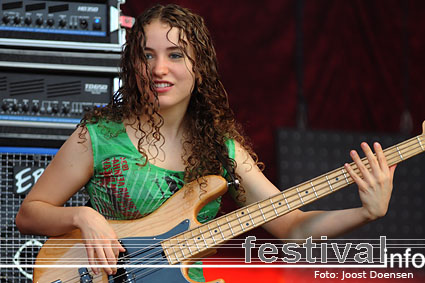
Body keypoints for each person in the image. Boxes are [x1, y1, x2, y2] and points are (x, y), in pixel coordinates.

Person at [15, 3, 396, 282]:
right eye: (146, 55)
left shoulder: (222, 150)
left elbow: (293, 228)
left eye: (175, 55)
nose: (158, 69)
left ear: (200, 68)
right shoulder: (100, 136)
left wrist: (365, 212)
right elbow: (29, 213)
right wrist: (83, 217)